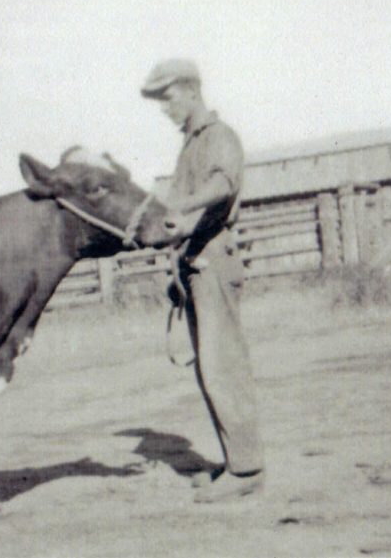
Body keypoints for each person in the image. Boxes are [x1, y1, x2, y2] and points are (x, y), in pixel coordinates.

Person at [140, 59, 264, 502]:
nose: (165, 110)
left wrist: (184, 208)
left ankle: (247, 470)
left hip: (214, 262)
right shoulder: (190, 145)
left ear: (191, 91)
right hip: (194, 265)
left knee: (222, 365)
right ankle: (235, 463)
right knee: (210, 370)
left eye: (169, 99)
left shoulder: (219, 137)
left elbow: (223, 184)